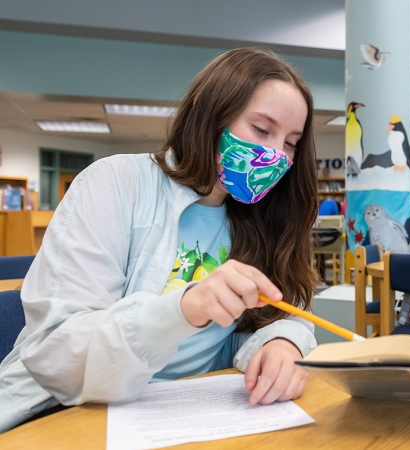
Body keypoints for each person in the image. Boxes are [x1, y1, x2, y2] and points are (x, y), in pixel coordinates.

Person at [0, 48, 320, 431]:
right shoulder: (114, 183)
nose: (275, 155)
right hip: (67, 416)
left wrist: (281, 342)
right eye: (262, 130)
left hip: (187, 417)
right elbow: (55, 354)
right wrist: (180, 311)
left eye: (290, 143)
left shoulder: (261, 221)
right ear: (209, 113)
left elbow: (250, 328)